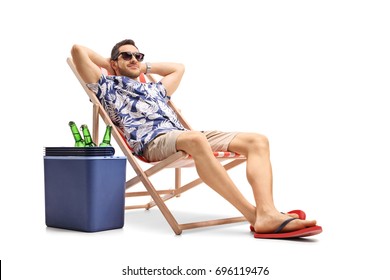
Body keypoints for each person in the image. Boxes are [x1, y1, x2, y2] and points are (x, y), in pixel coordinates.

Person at [71, 39, 322, 238]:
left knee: (257, 140)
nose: (135, 59)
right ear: (114, 62)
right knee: (196, 140)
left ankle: (267, 212)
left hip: (184, 136)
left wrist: (142, 67)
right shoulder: (108, 86)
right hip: (153, 142)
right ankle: (252, 215)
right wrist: (110, 64)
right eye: (127, 55)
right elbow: (78, 50)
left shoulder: (155, 88)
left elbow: (179, 67)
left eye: (139, 55)